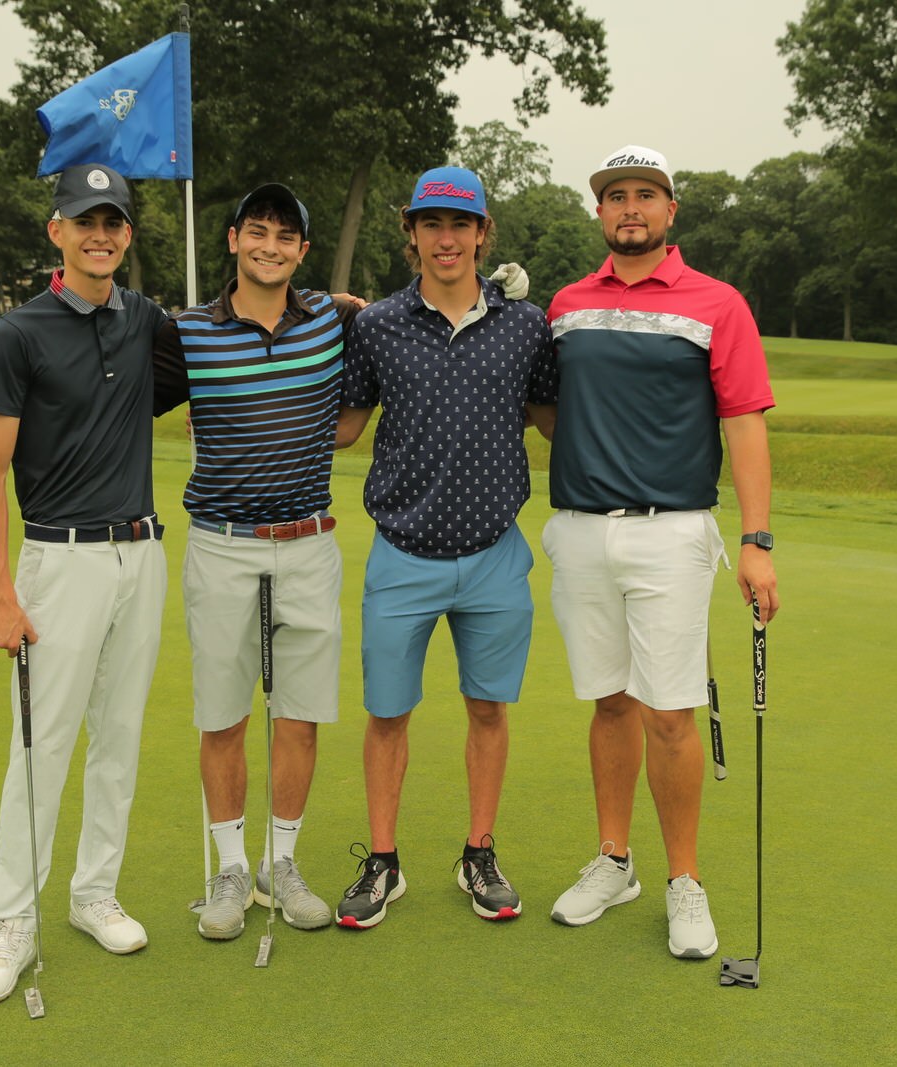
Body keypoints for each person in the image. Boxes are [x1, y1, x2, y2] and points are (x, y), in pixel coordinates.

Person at [542, 145, 781, 960]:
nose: (631, 208)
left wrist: (756, 540)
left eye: (646, 195)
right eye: (617, 196)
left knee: (670, 714)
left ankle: (685, 878)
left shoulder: (718, 303)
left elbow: (744, 420)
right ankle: (615, 861)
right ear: (600, 212)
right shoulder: (567, 305)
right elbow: (550, 407)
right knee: (609, 702)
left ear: (670, 211)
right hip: (581, 529)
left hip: (672, 531)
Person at [333, 166, 557, 929]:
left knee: (488, 708)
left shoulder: (526, 325)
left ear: (483, 232)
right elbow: (346, 426)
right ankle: (383, 861)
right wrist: (239, 414)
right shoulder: (378, 325)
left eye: (461, 223)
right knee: (387, 713)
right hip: (402, 551)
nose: (447, 237)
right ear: (412, 232)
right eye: (432, 223)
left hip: (495, 551)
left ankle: (478, 852)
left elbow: (554, 419)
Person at [0, 163, 168, 1003]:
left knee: (118, 737)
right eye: (86, 221)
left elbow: (233, 325)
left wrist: (336, 305)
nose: (100, 235)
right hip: (61, 558)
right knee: (40, 747)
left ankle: (93, 893)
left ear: (126, 234)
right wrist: (1, 593)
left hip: (142, 555)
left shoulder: (145, 319)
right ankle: (12, 920)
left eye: (113, 222)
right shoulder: (19, 333)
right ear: (57, 231)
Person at [151, 184, 361, 939]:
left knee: (300, 714)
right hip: (222, 543)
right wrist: (14, 335)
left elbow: (395, 322)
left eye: (285, 236)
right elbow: (102, 364)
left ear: (302, 251)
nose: (270, 246)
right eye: (257, 232)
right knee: (223, 715)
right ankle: (232, 869)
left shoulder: (334, 320)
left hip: (308, 543)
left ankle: (282, 861)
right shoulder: (187, 332)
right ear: (234, 239)